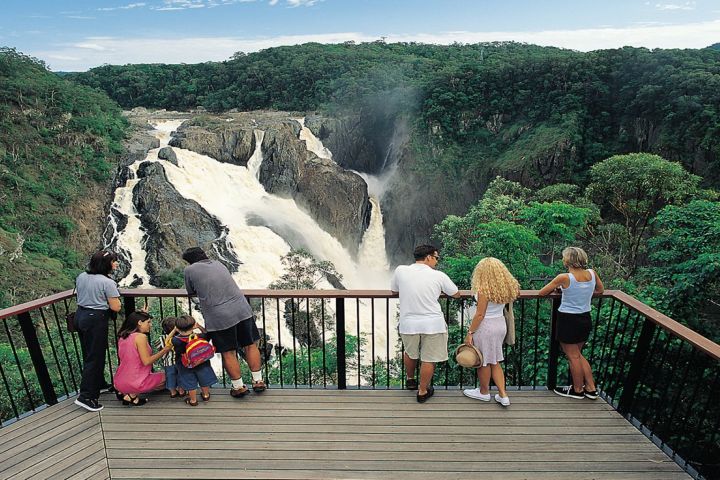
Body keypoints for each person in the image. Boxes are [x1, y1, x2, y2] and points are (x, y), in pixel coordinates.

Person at [182, 246, 266, 397]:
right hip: (241, 308)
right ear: (204, 255)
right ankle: (258, 381)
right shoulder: (218, 263)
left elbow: (191, 292)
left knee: (228, 352)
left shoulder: (190, 270)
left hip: (219, 316)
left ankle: (239, 387)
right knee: (250, 345)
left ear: (189, 262)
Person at [390, 244, 460, 403]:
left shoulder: (400, 270)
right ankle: (422, 391)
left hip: (408, 323)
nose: (437, 261)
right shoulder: (438, 276)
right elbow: (456, 293)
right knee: (429, 358)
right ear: (428, 257)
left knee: (410, 352)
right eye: (436, 257)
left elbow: (394, 291)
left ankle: (410, 379)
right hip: (432, 324)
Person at [538, 246, 605, 400]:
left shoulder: (564, 277)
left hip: (568, 319)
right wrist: (583, 293)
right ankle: (591, 388)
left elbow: (542, 293)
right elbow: (600, 290)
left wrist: (562, 290)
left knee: (573, 356)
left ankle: (577, 390)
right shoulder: (592, 274)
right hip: (584, 318)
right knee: (578, 355)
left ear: (568, 260)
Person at [461, 258, 520, 407]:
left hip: (486, 327)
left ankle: (484, 392)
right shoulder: (507, 287)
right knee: (495, 361)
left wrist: (470, 332)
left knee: (483, 361)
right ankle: (503, 395)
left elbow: (480, 314)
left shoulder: (483, 291)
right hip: (500, 324)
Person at [74, 250, 122, 412]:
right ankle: (86, 396)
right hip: (96, 319)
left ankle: (99, 384)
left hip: (81, 316)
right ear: (106, 264)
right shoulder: (107, 282)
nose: (116, 264)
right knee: (95, 357)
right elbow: (115, 307)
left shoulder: (82, 276)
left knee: (90, 353)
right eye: (114, 261)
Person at [113, 310, 173, 405]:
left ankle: (124, 392)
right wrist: (165, 350)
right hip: (136, 382)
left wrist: (142, 314)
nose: (151, 325)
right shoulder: (141, 337)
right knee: (169, 377)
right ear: (140, 323)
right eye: (148, 322)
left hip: (119, 381)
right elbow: (147, 361)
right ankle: (132, 395)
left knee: (158, 379)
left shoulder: (123, 336)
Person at [172, 315, 218, 406]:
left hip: (185, 365)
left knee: (190, 381)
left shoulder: (176, 340)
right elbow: (207, 334)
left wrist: (174, 331)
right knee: (203, 377)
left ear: (177, 328)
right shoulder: (200, 336)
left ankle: (193, 400)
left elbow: (176, 350)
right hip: (202, 362)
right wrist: (199, 326)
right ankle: (206, 395)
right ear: (193, 326)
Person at [157, 317, 184, 398]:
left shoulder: (161, 338)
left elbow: (159, 349)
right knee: (181, 375)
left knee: (170, 376)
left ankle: (173, 392)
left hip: (168, 362)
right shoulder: (180, 337)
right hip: (180, 361)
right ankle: (181, 390)